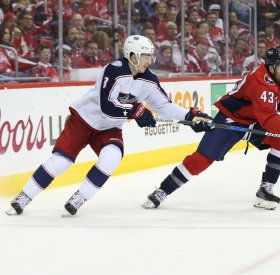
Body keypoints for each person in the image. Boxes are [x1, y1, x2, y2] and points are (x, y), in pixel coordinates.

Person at [5, 35, 213, 216]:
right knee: (61, 162)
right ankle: (23, 197)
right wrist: (136, 111)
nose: (151, 59)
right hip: (83, 120)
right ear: (133, 56)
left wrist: (190, 115)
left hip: (109, 128)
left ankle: (79, 198)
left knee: (111, 158)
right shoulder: (114, 70)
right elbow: (107, 105)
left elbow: (164, 106)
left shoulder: (149, 80)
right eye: (147, 55)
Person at [142, 48, 280, 210]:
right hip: (232, 119)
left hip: (256, 119)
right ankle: (162, 191)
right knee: (202, 158)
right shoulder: (260, 81)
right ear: (271, 68)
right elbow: (269, 118)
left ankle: (266, 189)